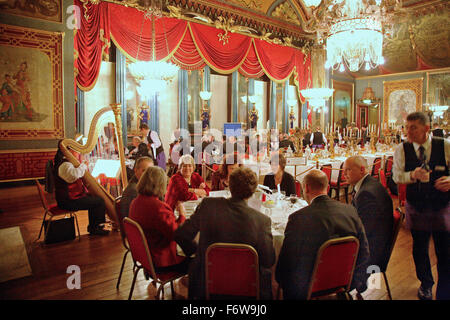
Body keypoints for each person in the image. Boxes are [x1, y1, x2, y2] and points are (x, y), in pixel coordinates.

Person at [174, 167, 275, 299]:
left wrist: (200, 253)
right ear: (252, 192)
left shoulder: (208, 206)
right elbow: (268, 260)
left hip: (206, 282)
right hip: (246, 288)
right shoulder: (262, 221)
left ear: (229, 186)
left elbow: (180, 235)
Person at [275, 169, 370, 299]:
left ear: (306, 188)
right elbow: (364, 252)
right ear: (328, 187)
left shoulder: (298, 218)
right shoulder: (350, 211)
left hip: (308, 287)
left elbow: (285, 265)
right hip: (344, 281)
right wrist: (353, 282)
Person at [392, 111, 450, 300]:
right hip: (416, 206)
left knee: (444, 250)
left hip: (441, 206)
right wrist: (412, 176)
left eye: (413, 127)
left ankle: (444, 290)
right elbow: (396, 176)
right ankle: (426, 284)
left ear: (426, 128)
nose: (408, 131)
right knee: (419, 248)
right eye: (407, 127)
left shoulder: (445, 146)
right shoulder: (402, 149)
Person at [343, 156, 394, 294]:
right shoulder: (369, 184)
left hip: (372, 254)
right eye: (343, 170)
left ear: (362, 169)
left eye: (348, 170)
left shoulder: (366, 193)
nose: (344, 174)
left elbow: (363, 232)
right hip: (376, 243)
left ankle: (339, 288)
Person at [128, 166, 189, 272]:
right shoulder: (158, 207)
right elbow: (178, 234)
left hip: (145, 257)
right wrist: (182, 215)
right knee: (199, 256)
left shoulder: (135, 202)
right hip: (162, 261)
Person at [53, 140, 109, 236]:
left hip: (70, 198)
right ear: (69, 151)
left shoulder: (67, 163)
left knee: (94, 198)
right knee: (99, 201)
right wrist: (84, 165)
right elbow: (74, 176)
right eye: (76, 150)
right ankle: (95, 228)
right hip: (67, 201)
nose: (78, 152)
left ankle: (94, 226)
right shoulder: (64, 165)